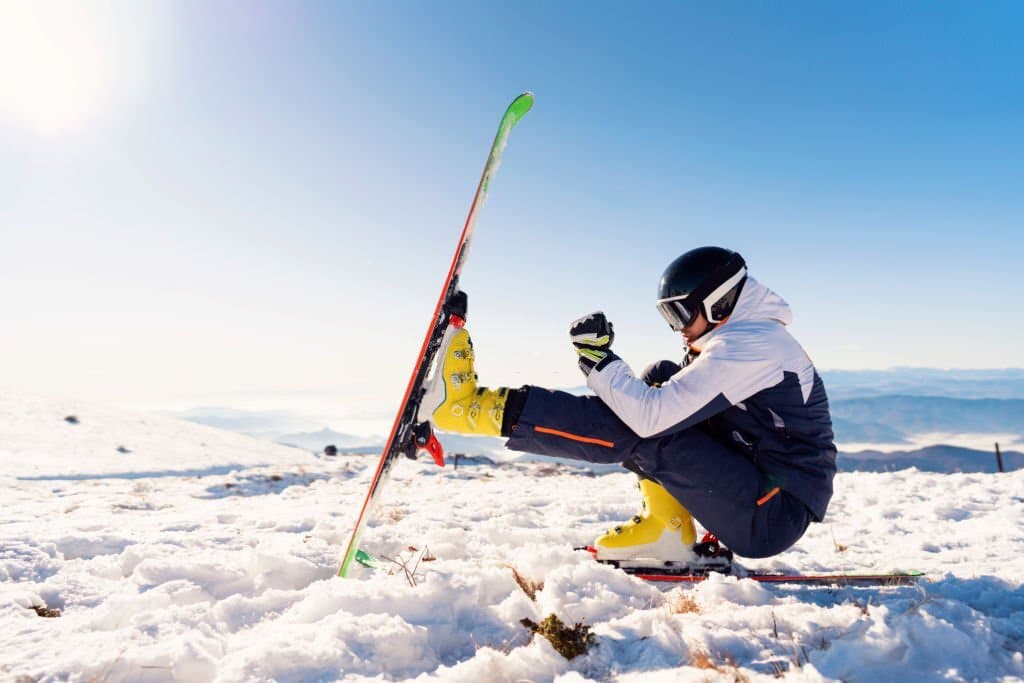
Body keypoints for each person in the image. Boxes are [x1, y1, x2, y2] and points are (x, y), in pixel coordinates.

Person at [419, 246, 836, 569]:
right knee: (659, 377)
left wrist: (600, 362)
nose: (676, 327)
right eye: (667, 316)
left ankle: (470, 409)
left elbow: (650, 419)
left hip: (771, 514)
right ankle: (667, 531)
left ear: (719, 304)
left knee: (648, 433)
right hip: (764, 485)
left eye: (679, 314)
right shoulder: (745, 339)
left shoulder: (749, 346)